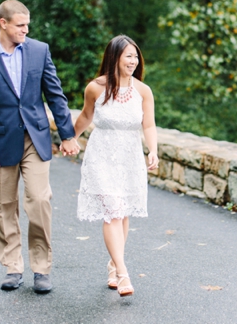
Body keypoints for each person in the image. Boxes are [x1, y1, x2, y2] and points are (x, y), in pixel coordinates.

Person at [0, 0, 80, 293]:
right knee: (5, 206)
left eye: (27, 25)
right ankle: (13, 267)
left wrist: (67, 135)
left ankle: (41, 268)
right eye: (20, 25)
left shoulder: (39, 51)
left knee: (39, 200)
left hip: (36, 138)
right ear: (3, 23)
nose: (26, 30)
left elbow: (55, 94)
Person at [73, 35, 158, 297]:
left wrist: (153, 149)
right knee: (112, 210)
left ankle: (113, 263)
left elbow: (149, 124)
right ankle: (122, 273)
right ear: (114, 57)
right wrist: (68, 139)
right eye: (128, 56)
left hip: (130, 157)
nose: (133, 61)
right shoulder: (95, 88)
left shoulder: (143, 91)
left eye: (135, 56)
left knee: (122, 213)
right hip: (101, 156)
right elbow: (86, 116)